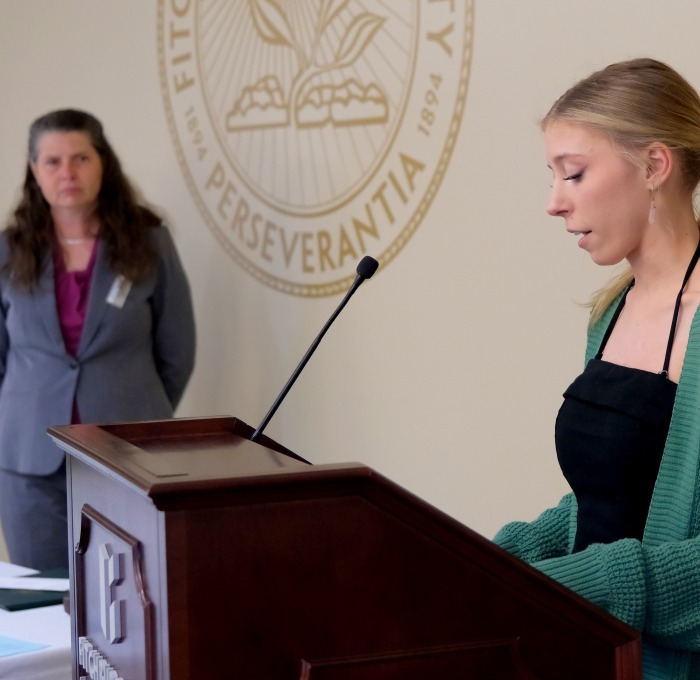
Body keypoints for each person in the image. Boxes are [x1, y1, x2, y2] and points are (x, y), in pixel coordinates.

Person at [493, 58, 700, 679]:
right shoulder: (610, 310)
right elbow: (605, 499)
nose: (554, 203)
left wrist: (577, 586)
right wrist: (499, 560)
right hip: (593, 652)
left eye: (574, 174)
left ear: (654, 166)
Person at [0, 109, 196, 571]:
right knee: (42, 601)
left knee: (128, 595)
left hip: (129, 457)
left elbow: (177, 352)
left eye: (80, 158)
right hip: (29, 460)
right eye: (52, 161)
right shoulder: (8, 250)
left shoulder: (149, 242)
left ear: (102, 163)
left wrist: (138, 415)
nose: (67, 172)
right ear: (34, 170)